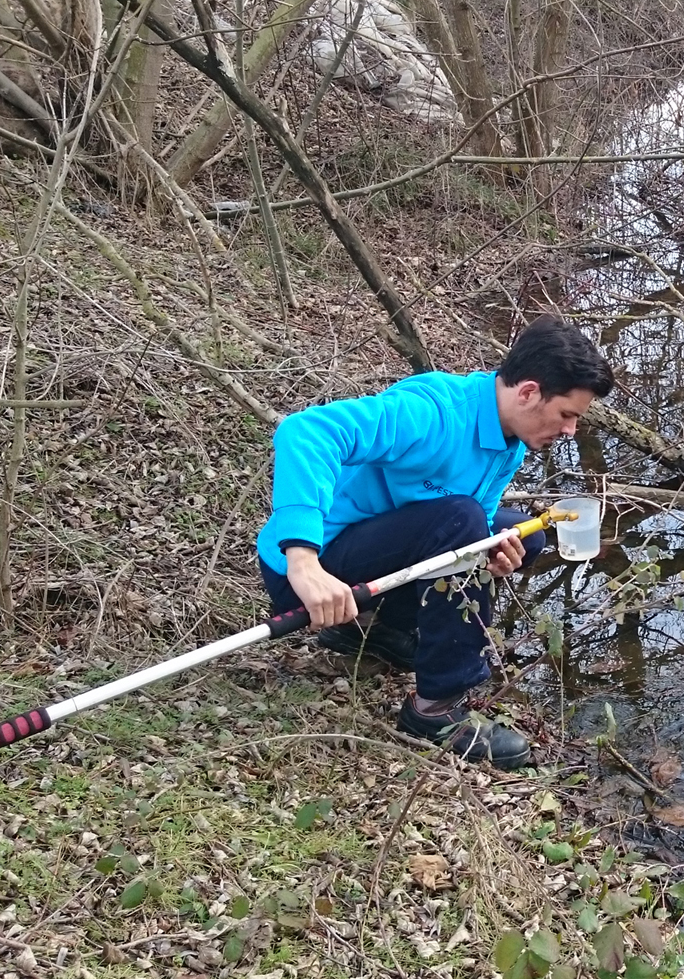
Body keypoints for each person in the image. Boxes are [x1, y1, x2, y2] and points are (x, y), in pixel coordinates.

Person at [254, 316, 614, 769]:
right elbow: (307, 431)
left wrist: (489, 553)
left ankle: (378, 631)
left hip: (377, 556)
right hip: (311, 570)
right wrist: (303, 561)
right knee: (460, 518)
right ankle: (435, 709)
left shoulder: (509, 440)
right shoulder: (434, 412)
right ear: (528, 392)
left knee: (522, 534)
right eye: (567, 415)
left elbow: (477, 519)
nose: (570, 430)